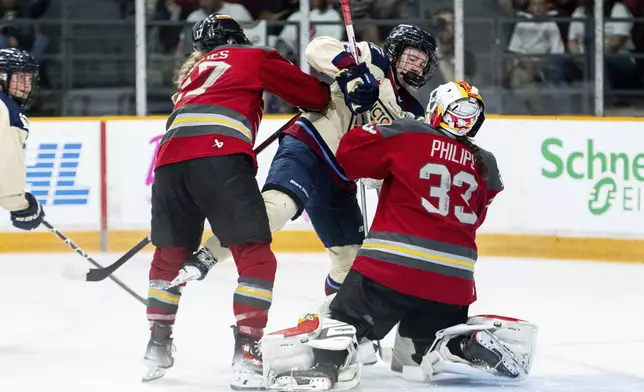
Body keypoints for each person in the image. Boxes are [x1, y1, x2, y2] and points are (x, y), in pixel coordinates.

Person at [259, 81, 537, 390]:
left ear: (437, 110)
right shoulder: (486, 162)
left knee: (340, 319)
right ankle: (455, 345)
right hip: (454, 283)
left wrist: (371, 129)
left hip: (391, 269)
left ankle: (328, 365)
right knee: (418, 353)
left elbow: (349, 156)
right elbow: (480, 209)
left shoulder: (409, 133)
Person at [141, 14, 332, 389]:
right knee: (255, 256)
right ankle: (247, 351)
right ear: (238, 39)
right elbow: (314, 97)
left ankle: (156, 346)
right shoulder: (253, 55)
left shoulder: (190, 77)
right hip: (221, 159)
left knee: (168, 255)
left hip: (168, 164)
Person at [187, 24, 438, 301]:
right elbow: (317, 49)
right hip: (310, 144)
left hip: (340, 180)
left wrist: (379, 174)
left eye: (421, 63)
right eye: (411, 58)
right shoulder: (371, 57)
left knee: (351, 264)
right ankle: (208, 255)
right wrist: (351, 73)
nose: (416, 67)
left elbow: (395, 163)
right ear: (395, 50)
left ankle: (333, 322)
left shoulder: (412, 113)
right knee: (277, 209)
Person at [0, 48, 44, 232]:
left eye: (28, 79)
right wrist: (20, 205)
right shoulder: (5, 110)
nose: (27, 86)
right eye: (20, 78)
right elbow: (5, 164)